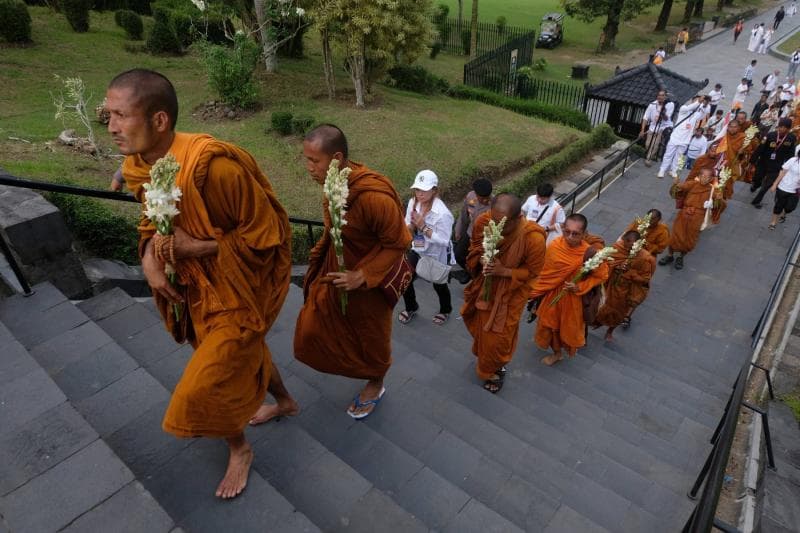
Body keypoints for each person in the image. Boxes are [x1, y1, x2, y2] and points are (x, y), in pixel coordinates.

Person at [106, 69, 295, 499]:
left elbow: (268, 236)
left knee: (202, 389)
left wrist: (200, 248)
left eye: (121, 115)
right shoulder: (141, 167)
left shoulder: (216, 169)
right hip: (194, 291)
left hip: (238, 290)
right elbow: (153, 223)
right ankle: (285, 401)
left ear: (159, 121)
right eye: (108, 115)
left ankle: (239, 448)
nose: (112, 127)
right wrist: (151, 258)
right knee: (246, 356)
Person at [293, 124, 411, 420]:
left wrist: (363, 276)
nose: (308, 168)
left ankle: (376, 381)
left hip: (369, 284)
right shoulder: (335, 184)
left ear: (336, 158)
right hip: (337, 271)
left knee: (371, 338)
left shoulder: (373, 196)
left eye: (313, 161)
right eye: (306, 159)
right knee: (311, 327)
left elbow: (400, 242)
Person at [461, 193, 546, 393]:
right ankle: (486, 357)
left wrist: (503, 271)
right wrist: (482, 260)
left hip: (510, 293)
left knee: (499, 339)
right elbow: (474, 248)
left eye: (503, 224)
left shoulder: (533, 238)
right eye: (494, 220)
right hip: (485, 286)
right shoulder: (484, 221)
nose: (497, 227)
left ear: (518, 218)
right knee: (479, 326)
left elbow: (532, 272)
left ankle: (496, 367)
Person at [530, 214, 609, 366]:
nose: (570, 237)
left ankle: (559, 353)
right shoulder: (554, 245)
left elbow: (602, 276)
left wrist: (579, 287)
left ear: (584, 234)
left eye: (575, 234)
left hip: (572, 299)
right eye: (567, 231)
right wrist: (536, 290)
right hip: (552, 296)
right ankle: (557, 353)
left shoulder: (590, 255)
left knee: (564, 330)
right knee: (549, 326)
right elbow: (545, 272)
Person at [399, 169, 454, 326]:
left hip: (436, 254)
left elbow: (444, 240)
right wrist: (409, 227)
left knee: (439, 285)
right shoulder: (413, 203)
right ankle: (411, 307)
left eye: (424, 190)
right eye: (417, 189)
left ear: (434, 190)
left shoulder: (443, 213)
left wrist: (423, 228)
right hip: (418, 248)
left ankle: (445, 309)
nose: (419, 194)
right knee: (405, 278)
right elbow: (406, 223)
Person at [593, 230, 655, 339]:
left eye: (630, 246)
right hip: (610, 284)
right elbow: (606, 262)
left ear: (637, 245)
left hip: (626, 291)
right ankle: (597, 322)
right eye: (625, 244)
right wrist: (616, 267)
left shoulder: (644, 257)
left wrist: (631, 274)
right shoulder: (618, 247)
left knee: (619, 313)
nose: (627, 248)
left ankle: (610, 331)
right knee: (601, 306)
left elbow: (645, 279)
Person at [659, 169, 717, 270]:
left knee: (689, 239)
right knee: (675, 235)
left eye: (707, 177)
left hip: (697, 218)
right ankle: (670, 255)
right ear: (699, 175)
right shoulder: (692, 184)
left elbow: (717, 206)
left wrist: (719, 199)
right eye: (702, 176)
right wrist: (676, 185)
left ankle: (681, 257)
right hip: (684, 214)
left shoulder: (712, 191)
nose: (704, 179)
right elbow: (678, 191)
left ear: (711, 179)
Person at [453, 178, 493, 284]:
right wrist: (458, 230)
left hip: (483, 239)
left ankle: (478, 278)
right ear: (476, 194)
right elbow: (463, 215)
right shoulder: (470, 197)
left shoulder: (494, 206)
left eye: (487, 198)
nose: (485, 201)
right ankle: (471, 273)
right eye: (481, 198)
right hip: (469, 233)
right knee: (458, 255)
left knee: (478, 261)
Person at [751, 117, 797, 207]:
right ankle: (755, 185)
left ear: (788, 128)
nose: (782, 129)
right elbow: (760, 149)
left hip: (777, 165)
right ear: (778, 126)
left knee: (767, 185)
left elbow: (790, 154)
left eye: (785, 127)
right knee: (758, 179)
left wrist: (788, 167)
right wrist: (752, 161)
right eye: (781, 126)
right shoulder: (770, 135)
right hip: (763, 162)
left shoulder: (792, 138)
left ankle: (756, 201)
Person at [658, 96, 704, 178]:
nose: (697, 103)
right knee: (668, 155)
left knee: (678, 157)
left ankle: (673, 170)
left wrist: (704, 104)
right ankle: (662, 170)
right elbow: (692, 106)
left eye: (698, 102)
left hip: (685, 140)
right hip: (675, 138)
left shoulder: (696, 114)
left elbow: (702, 114)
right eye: (696, 101)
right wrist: (698, 102)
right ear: (692, 102)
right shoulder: (684, 109)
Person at [768, 145, 800, 229]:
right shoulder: (793, 160)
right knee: (779, 205)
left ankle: (784, 213)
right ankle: (773, 222)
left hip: (796, 190)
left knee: (790, 208)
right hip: (784, 187)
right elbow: (782, 172)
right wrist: (775, 184)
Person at [640, 90, 675, 166]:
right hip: (652, 127)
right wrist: (642, 130)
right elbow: (645, 118)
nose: (660, 97)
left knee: (655, 145)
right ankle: (650, 155)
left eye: (662, 95)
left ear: (665, 97)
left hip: (663, 127)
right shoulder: (652, 104)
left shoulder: (670, 104)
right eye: (659, 95)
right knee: (647, 144)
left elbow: (666, 118)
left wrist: (663, 110)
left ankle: (648, 159)